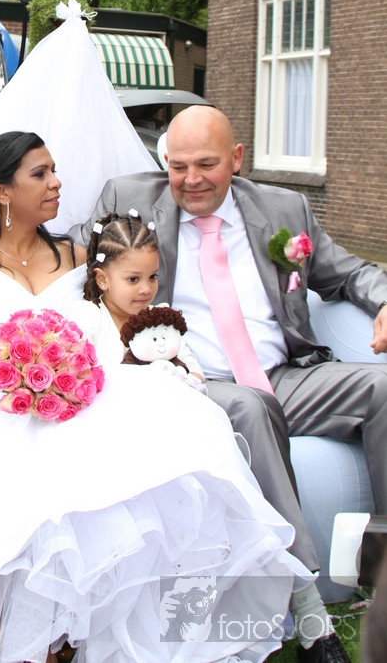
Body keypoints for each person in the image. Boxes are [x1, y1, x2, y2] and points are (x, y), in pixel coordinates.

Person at [0, 128, 309, 663]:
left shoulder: (79, 256)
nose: (56, 183)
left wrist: (79, 373)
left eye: (54, 171)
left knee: (162, 449)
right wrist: (13, 381)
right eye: (40, 174)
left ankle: (82, 640)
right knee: (11, 492)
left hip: (81, 402)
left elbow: (115, 324)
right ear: (1, 191)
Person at [76, 103, 387, 663]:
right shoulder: (131, 198)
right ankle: (308, 607)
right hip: (192, 381)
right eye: (178, 166)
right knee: (249, 406)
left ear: (237, 158)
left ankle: (384, 571)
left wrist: (385, 300)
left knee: (381, 388)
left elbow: (350, 273)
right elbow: (67, 255)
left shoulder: (284, 208)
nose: (190, 179)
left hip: (285, 374)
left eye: (206, 164)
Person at [68, 210, 205, 388]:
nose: (146, 289)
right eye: (133, 279)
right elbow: (78, 375)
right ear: (102, 279)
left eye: (153, 277)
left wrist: (183, 380)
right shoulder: (88, 318)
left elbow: (194, 369)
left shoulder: (159, 318)